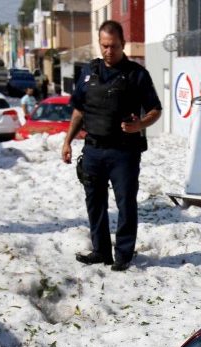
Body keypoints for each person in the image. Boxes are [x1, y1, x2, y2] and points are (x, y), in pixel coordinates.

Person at [62, 20, 162, 272]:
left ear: (123, 45)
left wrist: (139, 125)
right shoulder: (88, 72)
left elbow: (155, 110)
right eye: (104, 46)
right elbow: (78, 111)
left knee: (125, 203)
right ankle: (101, 251)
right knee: (94, 203)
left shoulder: (137, 74)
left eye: (114, 46)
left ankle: (123, 254)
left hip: (124, 153)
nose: (108, 51)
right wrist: (67, 141)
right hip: (93, 150)